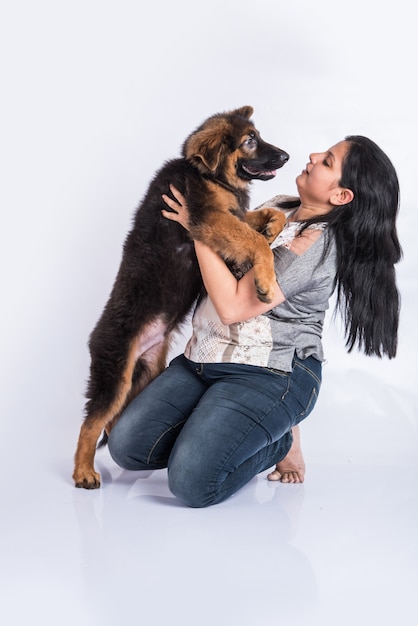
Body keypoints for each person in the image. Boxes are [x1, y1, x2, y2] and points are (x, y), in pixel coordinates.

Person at [107, 136, 401, 507]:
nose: (312, 156)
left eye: (326, 162)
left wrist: (199, 226)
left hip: (271, 373)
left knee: (192, 484)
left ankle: (280, 439)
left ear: (341, 195)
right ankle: (234, 429)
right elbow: (224, 256)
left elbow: (232, 306)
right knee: (126, 447)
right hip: (205, 359)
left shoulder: (315, 244)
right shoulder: (277, 207)